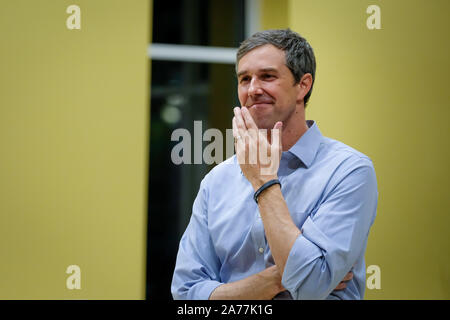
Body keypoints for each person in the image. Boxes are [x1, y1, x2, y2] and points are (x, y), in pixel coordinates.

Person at [171, 29, 378, 300]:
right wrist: (277, 278)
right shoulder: (216, 181)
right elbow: (186, 294)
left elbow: (311, 287)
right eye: (244, 79)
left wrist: (263, 181)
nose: (253, 89)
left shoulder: (349, 171)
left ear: (303, 85)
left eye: (267, 76)